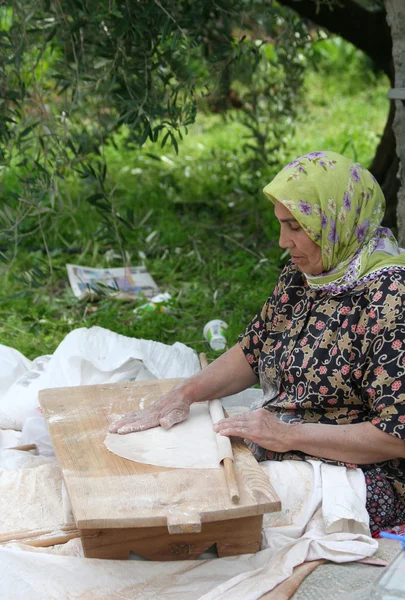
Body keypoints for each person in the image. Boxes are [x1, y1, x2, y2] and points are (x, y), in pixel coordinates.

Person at [110, 151, 405, 534]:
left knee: (205, 502)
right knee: (164, 472)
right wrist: (185, 393)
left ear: (335, 223)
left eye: (296, 227)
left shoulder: (390, 299)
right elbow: (252, 351)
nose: (284, 241)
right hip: (287, 443)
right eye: (282, 225)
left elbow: (396, 436)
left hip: (362, 475)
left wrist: (287, 434)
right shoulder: (305, 274)